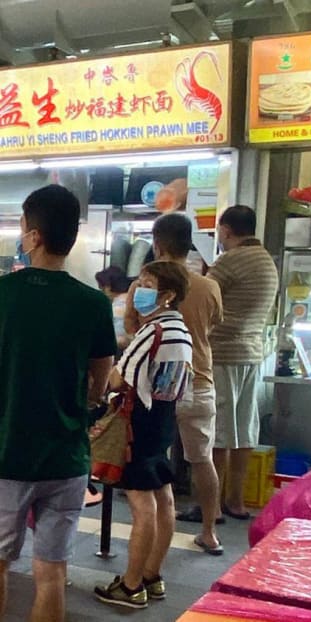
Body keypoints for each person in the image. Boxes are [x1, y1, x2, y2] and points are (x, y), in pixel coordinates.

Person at [0, 185, 116, 622]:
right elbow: (99, 384)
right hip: (66, 457)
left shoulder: (3, 295)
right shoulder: (92, 304)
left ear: (33, 236)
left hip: (6, 454)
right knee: (51, 572)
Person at [124, 212, 225, 554]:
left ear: (157, 243)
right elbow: (213, 327)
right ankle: (210, 531)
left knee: (156, 471)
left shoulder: (144, 285)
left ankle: (148, 557)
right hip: (199, 380)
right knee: (202, 459)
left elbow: (132, 330)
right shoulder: (210, 285)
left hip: (156, 387)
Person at [94, 261, 193, 610]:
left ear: (168, 295)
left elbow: (120, 379)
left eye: (148, 284)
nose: (140, 289)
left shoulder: (153, 332)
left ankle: (131, 585)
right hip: (163, 421)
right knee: (163, 498)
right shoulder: (179, 328)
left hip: (138, 425)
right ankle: (152, 574)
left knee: (142, 505)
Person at [209, 205, 279, 520]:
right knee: (244, 430)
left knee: (219, 433)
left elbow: (205, 300)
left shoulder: (230, 260)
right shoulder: (266, 261)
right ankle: (235, 502)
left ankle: (211, 507)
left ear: (226, 230)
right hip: (252, 354)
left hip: (223, 353)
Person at [95, 265, 133, 352]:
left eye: (102, 288)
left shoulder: (118, 307)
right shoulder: (131, 299)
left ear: (107, 287)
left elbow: (120, 339)